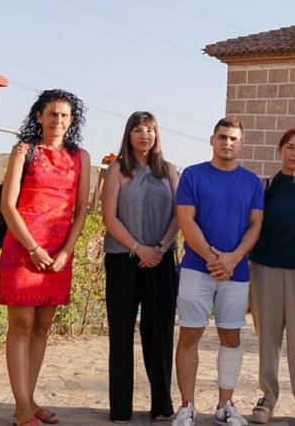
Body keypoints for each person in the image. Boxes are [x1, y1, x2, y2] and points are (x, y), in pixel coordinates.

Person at [0, 89, 91, 426]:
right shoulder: (24, 151)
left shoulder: (81, 157)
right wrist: (33, 248)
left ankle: (29, 401)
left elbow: (82, 209)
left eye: (65, 115)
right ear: (39, 116)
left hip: (57, 255)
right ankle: (22, 409)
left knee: (41, 329)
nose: (59, 120)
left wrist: (66, 251)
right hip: (24, 250)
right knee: (20, 327)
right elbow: (8, 206)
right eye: (52, 113)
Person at [170, 118, 264, 426]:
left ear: (241, 144)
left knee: (231, 335)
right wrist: (214, 257)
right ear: (212, 140)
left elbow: (255, 225)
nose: (227, 142)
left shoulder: (252, 182)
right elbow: (186, 221)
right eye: (222, 137)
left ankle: (226, 405)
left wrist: (233, 259)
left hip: (236, 272)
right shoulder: (193, 176)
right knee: (190, 334)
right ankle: (186, 406)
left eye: (234, 138)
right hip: (197, 269)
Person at [101, 111, 180, 423]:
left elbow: (179, 215)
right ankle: (120, 407)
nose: (144, 135)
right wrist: (138, 249)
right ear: (128, 135)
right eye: (138, 130)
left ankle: (161, 405)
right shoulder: (117, 169)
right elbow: (109, 217)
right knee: (121, 333)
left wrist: (159, 248)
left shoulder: (170, 171)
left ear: (157, 135)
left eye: (150, 130)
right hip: (123, 259)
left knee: (159, 333)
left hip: (161, 260)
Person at [247, 129, 295, 425]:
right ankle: (267, 397)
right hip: (265, 268)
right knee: (267, 336)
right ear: (280, 150)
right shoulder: (265, 186)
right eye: (290, 147)